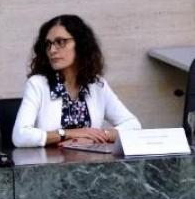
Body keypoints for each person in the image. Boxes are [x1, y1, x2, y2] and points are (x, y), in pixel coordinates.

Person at [12, 14, 141, 148]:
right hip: (50, 165)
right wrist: (69, 134)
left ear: (80, 44)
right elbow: (20, 136)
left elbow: (133, 125)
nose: (52, 50)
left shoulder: (96, 85)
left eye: (60, 42)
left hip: (91, 165)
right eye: (48, 44)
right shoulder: (38, 84)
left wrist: (97, 135)